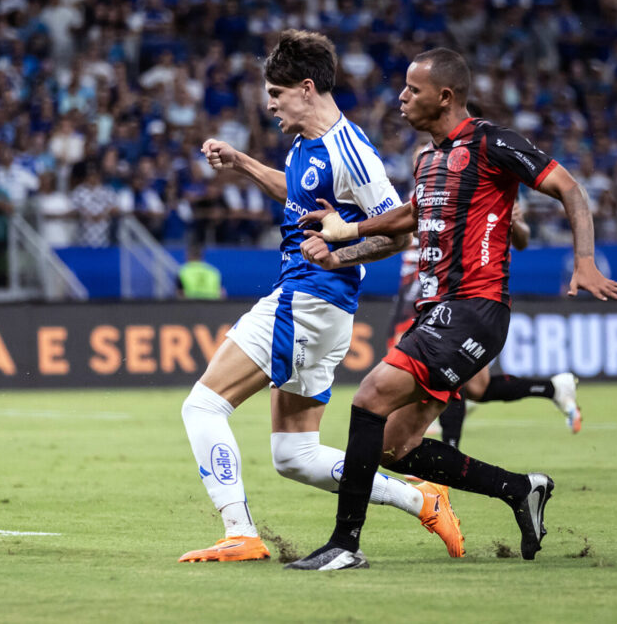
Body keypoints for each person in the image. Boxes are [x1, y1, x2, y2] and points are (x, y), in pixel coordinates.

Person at [292, 47, 617, 570]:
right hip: (436, 311)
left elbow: (569, 188)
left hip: (475, 307)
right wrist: (345, 237)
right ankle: (521, 489)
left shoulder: (493, 143)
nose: (401, 97)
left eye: (412, 89)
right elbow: (407, 217)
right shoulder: (427, 160)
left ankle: (344, 545)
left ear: (444, 96)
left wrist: (584, 262)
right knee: (395, 447)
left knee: (370, 398)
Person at [178, 31, 464, 565]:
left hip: (308, 298)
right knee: (295, 455)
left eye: (276, 93)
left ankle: (239, 531)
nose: (269, 104)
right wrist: (241, 162)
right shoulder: (305, 144)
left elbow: (400, 232)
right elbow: (296, 191)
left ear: (306, 89)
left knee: (203, 406)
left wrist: (340, 256)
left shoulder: (350, 151)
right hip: (317, 304)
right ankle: (419, 496)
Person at [391, 203, 582, 448]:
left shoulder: (483, 188)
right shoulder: (433, 187)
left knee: (450, 372)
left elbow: (521, 240)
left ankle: (444, 463)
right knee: (478, 388)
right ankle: (554, 389)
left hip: (472, 295)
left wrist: (517, 222)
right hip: (433, 291)